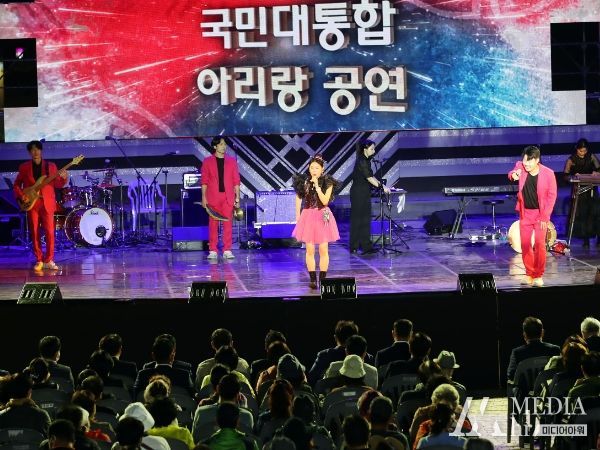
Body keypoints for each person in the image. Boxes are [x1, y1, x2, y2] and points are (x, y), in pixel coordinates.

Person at [13, 140, 68, 271]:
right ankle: (39, 259)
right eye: (32, 150)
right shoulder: (24, 167)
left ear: (41, 150)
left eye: (37, 149)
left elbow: (58, 184)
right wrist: (22, 195)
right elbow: (16, 185)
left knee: (50, 232)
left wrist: (64, 178)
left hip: (47, 202)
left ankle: (49, 260)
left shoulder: (51, 166)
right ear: (29, 152)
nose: (35, 152)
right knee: (34, 232)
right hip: (32, 203)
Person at [508, 145, 557, 287]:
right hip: (525, 213)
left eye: (529, 161)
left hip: (541, 214)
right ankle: (529, 273)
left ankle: (538, 275)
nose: (526, 164)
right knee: (525, 244)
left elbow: (552, 196)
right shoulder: (521, 166)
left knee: (540, 244)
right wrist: (513, 175)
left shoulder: (548, 173)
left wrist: (545, 216)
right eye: (524, 161)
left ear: (537, 160)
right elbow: (511, 173)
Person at [292, 154, 340, 289]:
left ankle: (323, 280)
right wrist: (298, 216)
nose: (314, 170)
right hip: (308, 215)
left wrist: (318, 187)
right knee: (310, 249)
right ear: (308, 168)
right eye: (312, 167)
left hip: (322, 215)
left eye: (317, 168)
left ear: (322, 169)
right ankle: (313, 279)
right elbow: (298, 198)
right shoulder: (304, 181)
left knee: (323, 249)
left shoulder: (328, 182)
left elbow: (324, 201)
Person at [201, 136, 241, 260]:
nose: (224, 146)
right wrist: (203, 197)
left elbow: (236, 181)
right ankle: (213, 249)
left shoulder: (231, 161)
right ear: (215, 146)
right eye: (221, 144)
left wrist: (237, 198)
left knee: (227, 223)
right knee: (213, 224)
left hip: (228, 196)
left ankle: (227, 249)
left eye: (224, 144)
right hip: (213, 197)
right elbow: (204, 181)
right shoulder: (207, 161)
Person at [350, 139, 390, 255]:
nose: (374, 151)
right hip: (358, 193)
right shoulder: (361, 160)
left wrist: (382, 185)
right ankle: (354, 246)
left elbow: (372, 176)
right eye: (372, 149)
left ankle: (366, 246)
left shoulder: (366, 161)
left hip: (364, 192)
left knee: (365, 219)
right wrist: (382, 187)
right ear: (365, 149)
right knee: (357, 220)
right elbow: (369, 178)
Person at [563, 138, 600, 248]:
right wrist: (574, 176)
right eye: (581, 151)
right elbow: (565, 176)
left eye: (585, 151)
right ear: (577, 149)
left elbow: (599, 169)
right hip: (579, 191)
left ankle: (598, 238)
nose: (583, 153)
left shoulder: (591, 157)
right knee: (582, 214)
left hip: (592, 190)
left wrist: (596, 173)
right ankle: (585, 239)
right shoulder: (571, 160)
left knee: (595, 213)